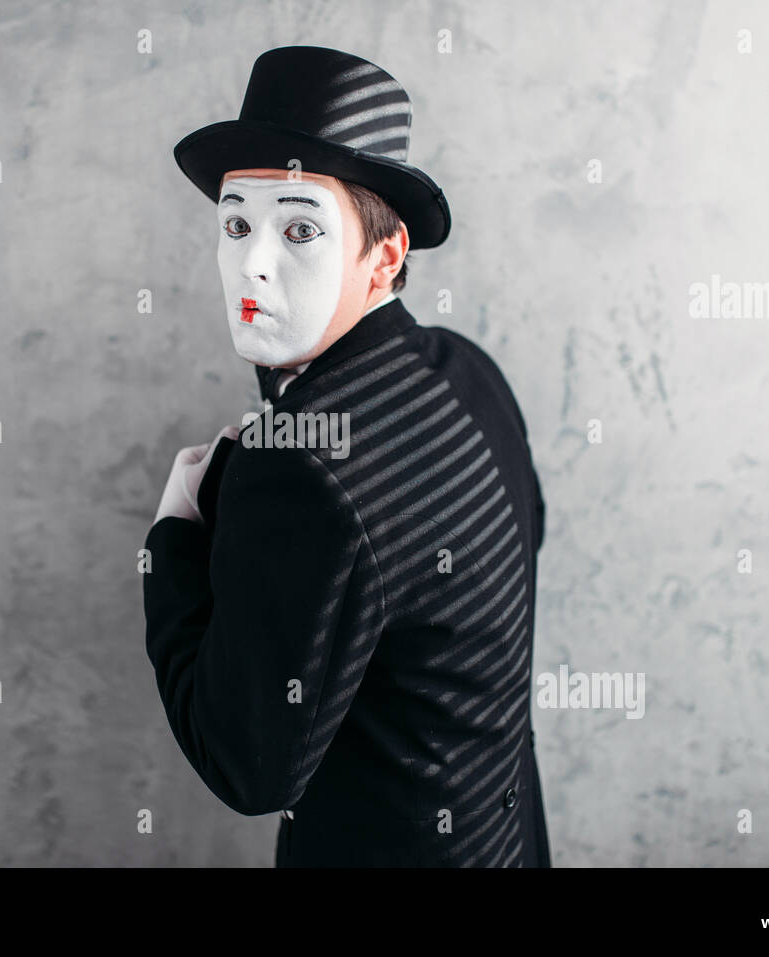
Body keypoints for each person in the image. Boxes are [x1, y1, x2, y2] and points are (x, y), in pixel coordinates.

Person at [143, 45, 550, 867]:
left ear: (384, 258)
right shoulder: (470, 370)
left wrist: (176, 540)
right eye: (235, 222)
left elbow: (248, 765)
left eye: (299, 228)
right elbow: (521, 538)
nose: (252, 261)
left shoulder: (295, 468)